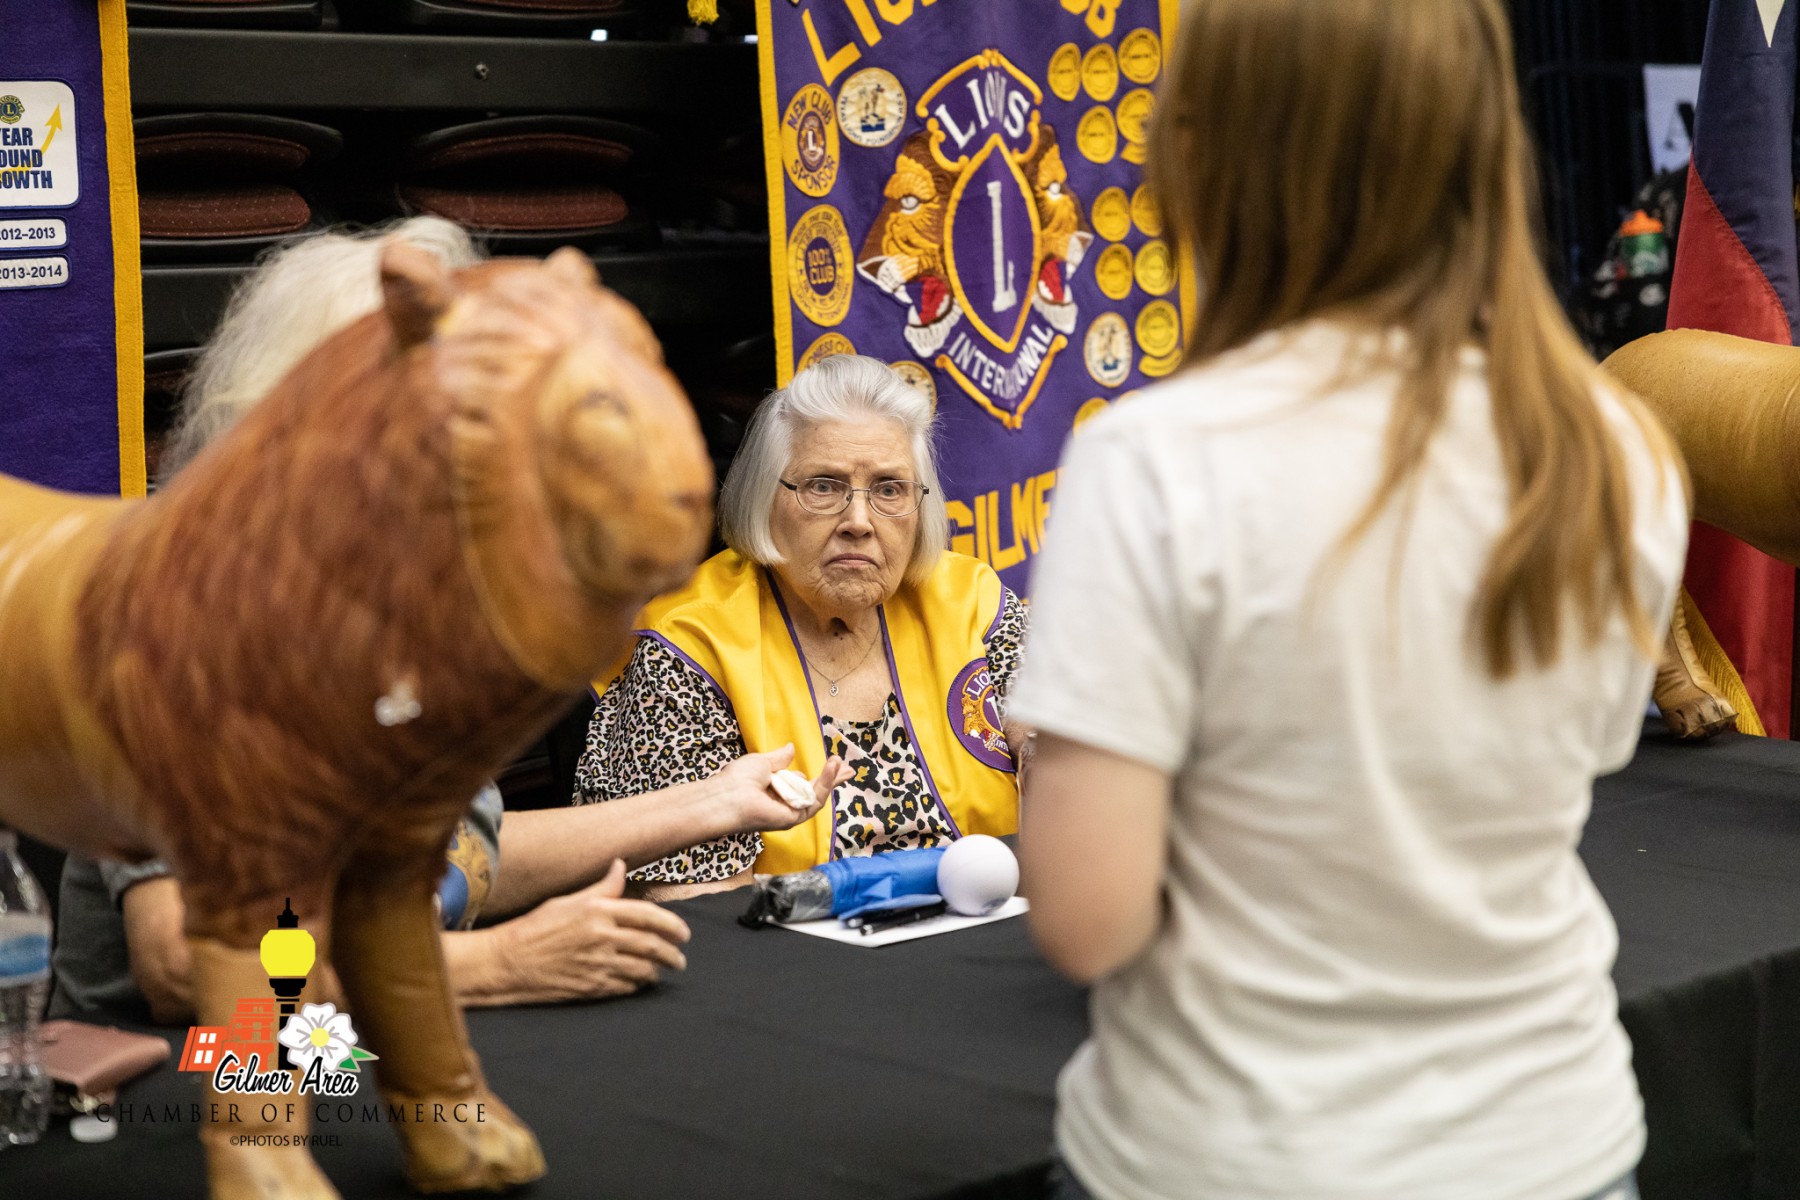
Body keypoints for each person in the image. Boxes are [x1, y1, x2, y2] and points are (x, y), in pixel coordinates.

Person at [1011, 3, 1687, 1199]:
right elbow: (1572, 765)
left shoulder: (1157, 460)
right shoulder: (1613, 449)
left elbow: (1087, 918)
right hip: (1554, 1147)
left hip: (1232, 1163)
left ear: (1207, 152)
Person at [50, 218, 842, 1024]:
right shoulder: (194, 625)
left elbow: (465, 855)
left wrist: (713, 802)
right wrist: (499, 963)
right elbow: (183, 963)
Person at [575, 354, 1029, 896]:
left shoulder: (971, 601)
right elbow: (701, 911)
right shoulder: (690, 644)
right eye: (823, 486)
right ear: (765, 498)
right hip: (784, 942)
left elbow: (1060, 756)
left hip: (989, 922)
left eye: (889, 489)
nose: (859, 522)